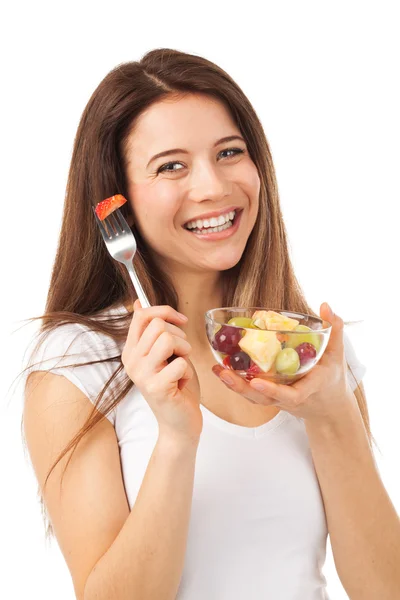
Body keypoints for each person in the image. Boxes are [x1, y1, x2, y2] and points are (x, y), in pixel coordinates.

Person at [21, 48, 400, 600]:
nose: (214, 187)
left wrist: (332, 413)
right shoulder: (76, 364)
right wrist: (176, 439)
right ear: (116, 203)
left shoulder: (310, 351)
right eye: (171, 165)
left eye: (229, 152)